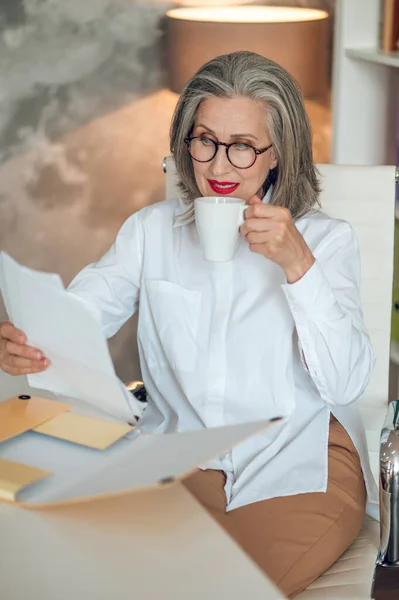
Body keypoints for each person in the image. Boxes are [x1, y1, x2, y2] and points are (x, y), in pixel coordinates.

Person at [0, 51, 376, 597]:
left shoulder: (324, 241)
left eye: (243, 147)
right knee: (85, 572)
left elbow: (345, 384)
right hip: (177, 457)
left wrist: (299, 268)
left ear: (278, 156)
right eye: (205, 141)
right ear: (186, 142)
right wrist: (28, 342)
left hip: (299, 463)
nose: (219, 167)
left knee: (227, 588)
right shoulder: (150, 232)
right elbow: (78, 316)